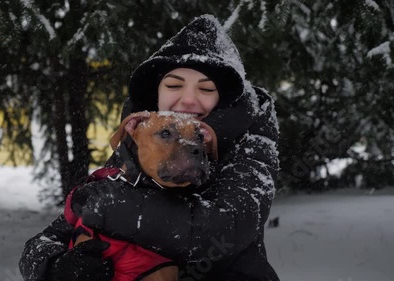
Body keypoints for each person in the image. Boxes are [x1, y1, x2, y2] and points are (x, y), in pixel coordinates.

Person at [19, 14, 280, 281]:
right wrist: (53, 266)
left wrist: (105, 203)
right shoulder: (141, 141)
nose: (188, 100)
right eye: (174, 84)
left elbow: (224, 230)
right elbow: (47, 240)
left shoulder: (253, 143)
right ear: (156, 93)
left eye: (206, 88)